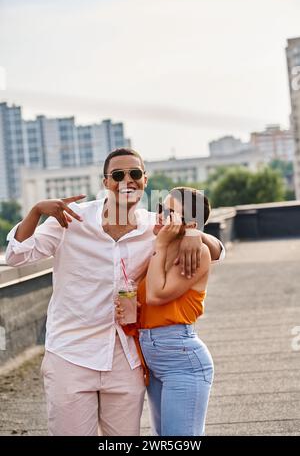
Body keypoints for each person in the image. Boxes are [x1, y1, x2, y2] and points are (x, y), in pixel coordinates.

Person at [5, 148, 224, 436]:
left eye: (134, 174)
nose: (127, 180)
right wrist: (35, 212)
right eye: (118, 175)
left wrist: (198, 234)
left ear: (145, 180)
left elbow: (218, 250)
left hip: (126, 358)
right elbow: (15, 257)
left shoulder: (153, 226)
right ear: (106, 182)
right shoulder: (70, 220)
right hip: (71, 354)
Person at [116, 187, 215, 436]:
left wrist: (169, 240)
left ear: (190, 222)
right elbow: (145, 299)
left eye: (170, 212)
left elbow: (156, 295)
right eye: (160, 207)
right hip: (153, 359)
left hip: (182, 359)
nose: (160, 215)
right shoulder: (159, 249)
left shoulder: (193, 252)